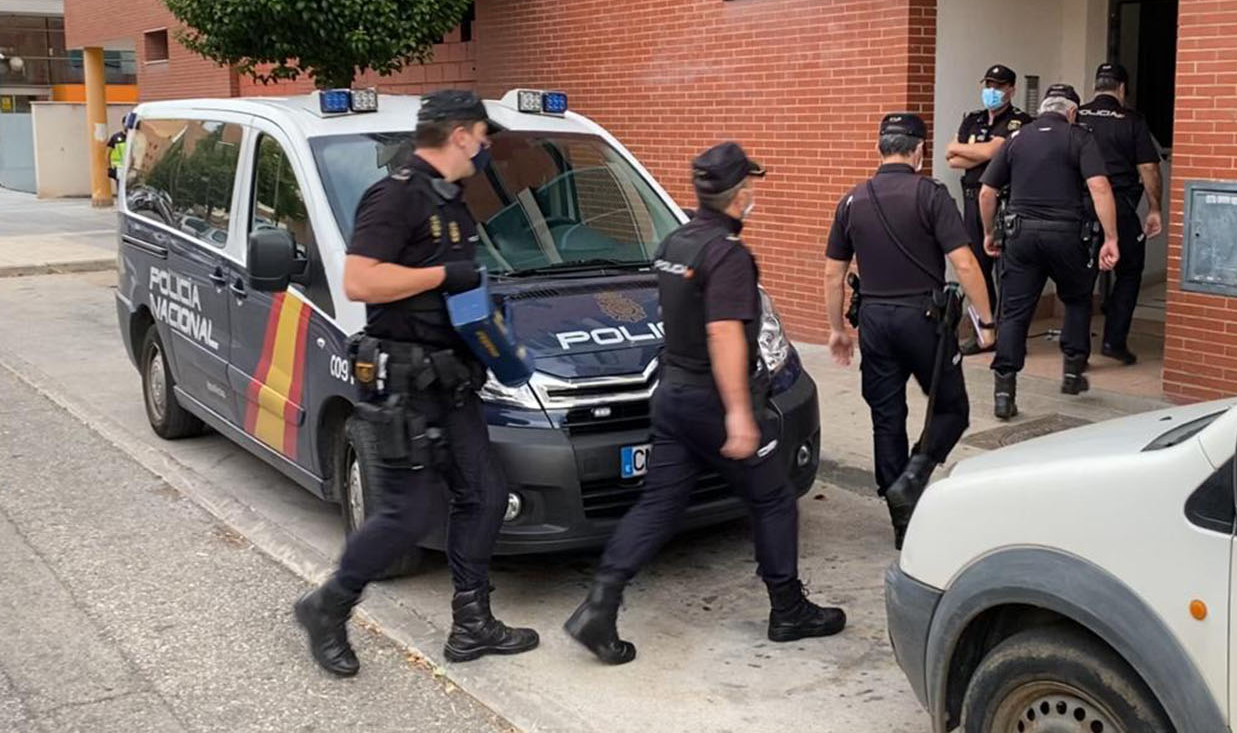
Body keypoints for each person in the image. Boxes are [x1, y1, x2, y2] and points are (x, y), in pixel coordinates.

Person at [564, 142, 846, 665]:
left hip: (672, 395)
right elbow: (723, 334)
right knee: (774, 499)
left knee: (658, 504)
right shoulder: (728, 255)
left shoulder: (675, 243)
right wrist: (739, 414)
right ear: (741, 194)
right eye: (751, 186)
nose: (754, 193)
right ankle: (788, 610)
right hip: (714, 402)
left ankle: (599, 606)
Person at [294, 90, 538, 677]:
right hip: (404, 387)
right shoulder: (395, 195)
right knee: (407, 514)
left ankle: (472, 624)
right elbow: (359, 281)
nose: (486, 149)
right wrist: (441, 273)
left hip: (452, 382)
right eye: (483, 137)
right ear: (459, 135)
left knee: (483, 495)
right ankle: (326, 607)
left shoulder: (452, 202)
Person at [824, 113, 996, 547]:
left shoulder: (852, 200)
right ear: (918, 150)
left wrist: (836, 330)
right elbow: (964, 262)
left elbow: (833, 274)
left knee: (887, 417)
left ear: (879, 148)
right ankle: (915, 476)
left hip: (875, 322)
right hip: (924, 319)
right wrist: (986, 322)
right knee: (952, 409)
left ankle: (901, 517)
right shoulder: (931, 195)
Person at [979, 84, 1120, 420]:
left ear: (1043, 109)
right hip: (1067, 235)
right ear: (1071, 112)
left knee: (1013, 312)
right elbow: (1099, 186)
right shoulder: (1079, 137)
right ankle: (1072, 372)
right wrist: (1112, 237)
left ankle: (1004, 392)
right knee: (1076, 298)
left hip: (1021, 235)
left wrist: (988, 232)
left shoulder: (1017, 139)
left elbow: (987, 192)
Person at [1076, 63, 1164, 365]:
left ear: (1096, 86)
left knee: (1081, 279)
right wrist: (1154, 208)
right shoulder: (1131, 120)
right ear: (1122, 89)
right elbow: (1149, 168)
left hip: (1080, 211)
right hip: (1121, 208)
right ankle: (1114, 341)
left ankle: (1076, 355)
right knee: (1128, 272)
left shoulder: (1077, 116)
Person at [945, 64, 1032, 352]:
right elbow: (951, 157)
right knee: (978, 268)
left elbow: (992, 152)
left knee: (1006, 271)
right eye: (989, 85)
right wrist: (983, 154)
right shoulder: (973, 118)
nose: (992, 91)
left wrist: (979, 152)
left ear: (1011, 89)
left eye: (998, 86)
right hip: (972, 199)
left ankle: (1009, 336)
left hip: (1005, 202)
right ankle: (985, 331)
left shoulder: (1019, 122)